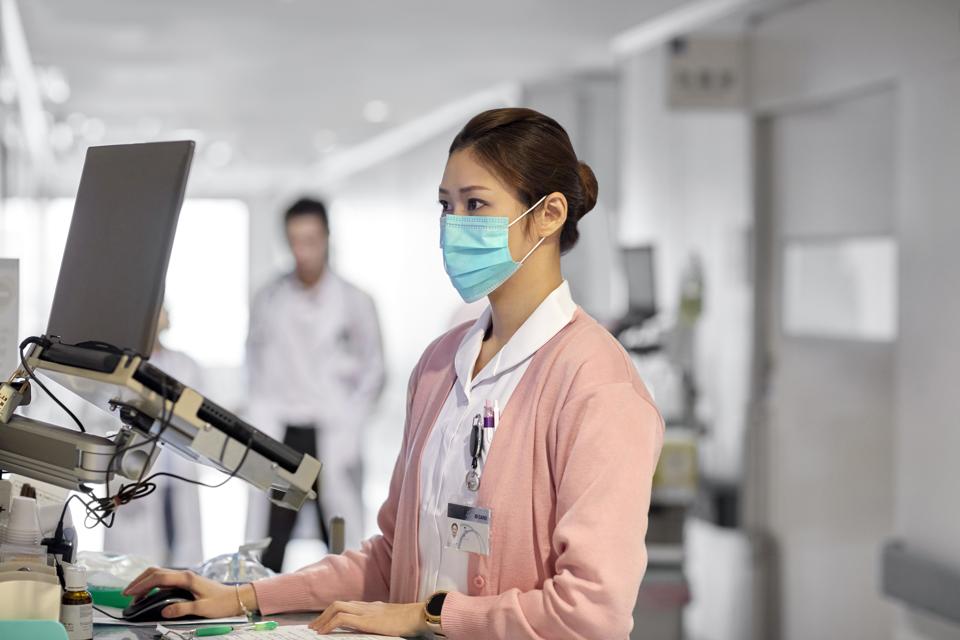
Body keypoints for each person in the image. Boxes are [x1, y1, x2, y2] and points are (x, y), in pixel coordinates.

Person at [125, 108, 664, 640]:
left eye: (475, 204)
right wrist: (240, 597)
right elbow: (389, 559)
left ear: (548, 215)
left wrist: (426, 616)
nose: (453, 226)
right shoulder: (439, 366)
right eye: (445, 206)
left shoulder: (595, 385)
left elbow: (591, 613)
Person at [244, 197, 385, 566]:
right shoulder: (269, 298)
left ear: (326, 237)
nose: (302, 251)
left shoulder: (355, 301)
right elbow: (254, 363)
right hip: (281, 430)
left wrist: (351, 424)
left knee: (337, 541)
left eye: (310, 240)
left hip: (332, 430)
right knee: (271, 541)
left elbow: (374, 371)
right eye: (294, 241)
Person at [102, 307, 204, 567]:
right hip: (138, 473)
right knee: (135, 562)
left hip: (178, 472)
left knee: (181, 552)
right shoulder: (117, 368)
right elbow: (102, 419)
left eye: (161, 310)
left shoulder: (185, 365)